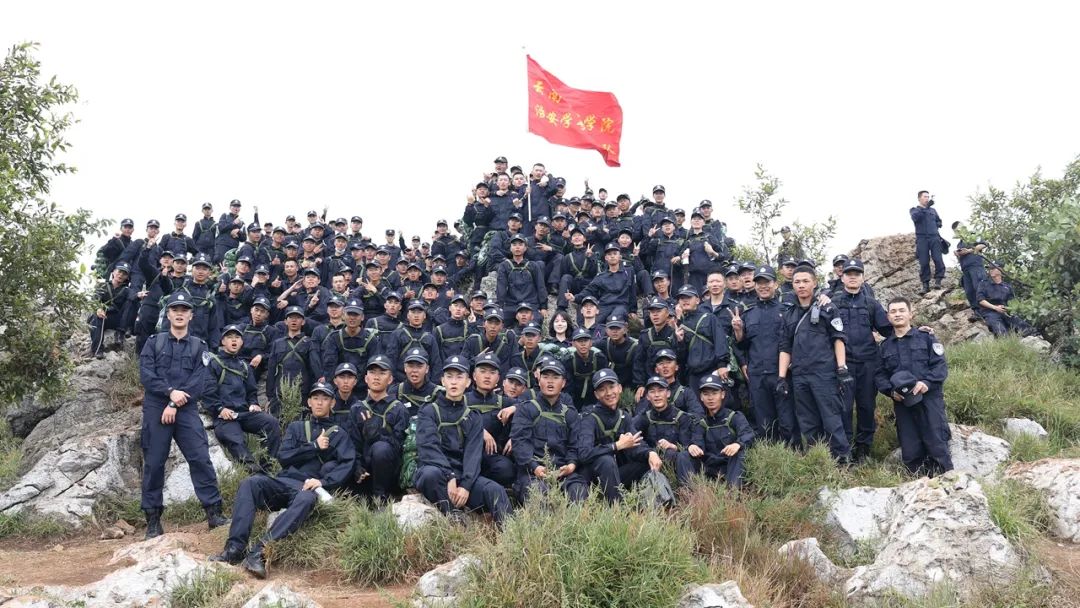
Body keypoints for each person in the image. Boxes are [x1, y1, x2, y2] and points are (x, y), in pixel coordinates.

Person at [210, 381, 355, 578]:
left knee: (306, 498)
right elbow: (283, 457)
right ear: (309, 402)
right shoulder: (296, 427)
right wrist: (313, 446)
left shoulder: (339, 434)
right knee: (250, 483)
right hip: (284, 481)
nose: (320, 403)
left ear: (333, 403)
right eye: (315, 398)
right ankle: (234, 549)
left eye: (325, 399)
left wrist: (323, 482)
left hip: (309, 488)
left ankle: (259, 552)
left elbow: (347, 464)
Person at [138, 292, 229, 539]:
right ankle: (153, 521)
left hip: (185, 408)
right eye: (175, 309)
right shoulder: (153, 342)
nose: (179, 313)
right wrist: (170, 393)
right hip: (157, 408)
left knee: (200, 458)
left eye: (184, 310)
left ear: (191, 315)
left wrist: (175, 402)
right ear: (168, 314)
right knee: (154, 463)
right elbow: (146, 375)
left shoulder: (199, 346)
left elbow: (199, 381)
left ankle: (214, 513)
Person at [413, 355, 512, 525]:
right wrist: (449, 476)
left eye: (459, 377)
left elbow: (473, 455)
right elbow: (428, 448)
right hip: (436, 473)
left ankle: (511, 533)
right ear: (442, 381)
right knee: (430, 475)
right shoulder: (428, 411)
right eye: (449, 377)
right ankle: (454, 517)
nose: (454, 382)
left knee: (495, 490)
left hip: (462, 475)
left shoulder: (473, 416)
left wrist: (466, 485)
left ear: (467, 382)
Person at [777, 265, 852, 461]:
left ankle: (842, 461)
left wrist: (842, 367)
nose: (801, 285)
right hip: (799, 375)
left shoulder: (828, 308)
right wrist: (781, 377)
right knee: (808, 422)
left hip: (824, 374)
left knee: (831, 419)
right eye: (797, 282)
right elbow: (785, 347)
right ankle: (818, 461)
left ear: (814, 283)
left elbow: (838, 338)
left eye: (805, 281)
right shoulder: (789, 313)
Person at [875, 297, 953, 476]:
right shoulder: (884, 347)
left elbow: (940, 366)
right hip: (903, 403)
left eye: (902, 310)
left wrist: (926, 383)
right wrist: (890, 392)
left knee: (937, 442)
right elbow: (879, 375)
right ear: (888, 317)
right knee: (911, 449)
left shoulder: (926, 338)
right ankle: (917, 485)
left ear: (911, 314)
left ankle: (946, 481)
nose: (897, 314)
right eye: (893, 311)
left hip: (929, 400)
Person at [827, 259, 892, 462]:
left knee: (866, 407)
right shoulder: (833, 302)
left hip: (868, 364)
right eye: (849, 273)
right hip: (842, 365)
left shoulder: (871, 304)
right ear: (842, 277)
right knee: (843, 408)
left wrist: (917, 332)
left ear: (863, 278)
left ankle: (863, 450)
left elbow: (889, 330)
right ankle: (845, 450)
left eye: (857, 274)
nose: (853, 277)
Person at [732, 266, 797, 445]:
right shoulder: (748, 314)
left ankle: (791, 455)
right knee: (764, 423)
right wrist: (738, 331)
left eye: (767, 282)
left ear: (775, 284)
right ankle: (769, 456)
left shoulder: (787, 310)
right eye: (759, 283)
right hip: (757, 375)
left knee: (787, 420)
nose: (763, 286)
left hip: (782, 374)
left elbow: (795, 340)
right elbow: (742, 345)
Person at [204, 325, 282, 473]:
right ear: (223, 342)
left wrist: (253, 403)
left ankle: (268, 466)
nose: (234, 340)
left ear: (241, 342)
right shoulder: (214, 363)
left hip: (244, 414)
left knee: (271, 423)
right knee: (236, 440)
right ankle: (253, 471)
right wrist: (220, 408)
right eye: (229, 337)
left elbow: (251, 392)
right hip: (224, 416)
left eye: (237, 337)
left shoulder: (244, 366)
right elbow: (208, 392)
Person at [509, 359, 587, 502]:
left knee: (579, 493)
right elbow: (520, 443)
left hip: (563, 472)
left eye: (555, 377)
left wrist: (571, 465)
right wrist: (535, 467)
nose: (550, 382)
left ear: (563, 383)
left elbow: (575, 445)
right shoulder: (526, 409)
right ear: (539, 381)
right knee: (540, 495)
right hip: (533, 473)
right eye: (546, 377)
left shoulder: (570, 413)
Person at [577, 368, 658, 503]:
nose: (609, 393)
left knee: (646, 462)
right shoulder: (589, 418)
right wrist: (616, 446)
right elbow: (584, 454)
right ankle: (616, 508)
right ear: (596, 395)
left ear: (619, 388)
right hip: (592, 478)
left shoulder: (624, 416)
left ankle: (649, 504)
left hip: (615, 476)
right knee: (606, 461)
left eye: (611, 387)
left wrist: (650, 453)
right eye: (602, 389)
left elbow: (636, 442)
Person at [347, 356, 409, 503]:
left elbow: (400, 446)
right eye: (372, 372)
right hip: (365, 469)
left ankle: (380, 497)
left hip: (389, 471)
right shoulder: (357, 408)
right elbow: (352, 443)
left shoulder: (399, 409)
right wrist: (357, 466)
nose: (376, 377)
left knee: (381, 448)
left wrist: (377, 436)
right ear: (366, 378)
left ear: (390, 379)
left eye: (382, 373)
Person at [675, 374, 755, 488]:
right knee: (683, 455)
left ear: (722, 394)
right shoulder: (700, 422)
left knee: (739, 453)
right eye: (706, 394)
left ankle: (733, 493)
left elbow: (748, 434)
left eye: (714, 393)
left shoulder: (735, 417)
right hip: (709, 469)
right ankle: (690, 493)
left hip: (730, 467)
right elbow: (697, 442)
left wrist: (738, 444)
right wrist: (692, 447)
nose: (710, 398)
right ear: (701, 397)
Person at [463, 352, 515, 488]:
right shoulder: (462, 400)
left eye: (492, 373)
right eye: (483, 371)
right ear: (474, 376)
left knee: (507, 470)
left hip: (491, 456)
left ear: (498, 378)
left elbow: (529, 407)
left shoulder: (504, 402)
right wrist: (480, 431)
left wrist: (515, 408)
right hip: (465, 453)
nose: (487, 376)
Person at [633, 376, 695, 469]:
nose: (657, 395)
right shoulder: (644, 417)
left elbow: (687, 446)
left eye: (660, 391)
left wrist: (673, 446)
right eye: (652, 392)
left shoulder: (682, 417)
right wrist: (650, 452)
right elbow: (632, 435)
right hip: (650, 463)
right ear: (648, 397)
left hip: (676, 464)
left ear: (668, 393)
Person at [976, 264, 1033, 337]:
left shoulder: (1007, 286)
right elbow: (981, 300)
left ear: (1000, 270)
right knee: (999, 329)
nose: (991, 270)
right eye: (990, 269)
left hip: (1005, 311)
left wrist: (1007, 309)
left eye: (993, 268)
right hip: (990, 312)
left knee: (1021, 323)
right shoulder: (983, 283)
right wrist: (995, 307)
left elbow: (1012, 302)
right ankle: (1006, 341)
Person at [89, 262, 132, 357]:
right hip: (101, 315)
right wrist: (98, 309)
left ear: (127, 277)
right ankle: (97, 350)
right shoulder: (102, 286)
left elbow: (131, 304)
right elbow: (94, 300)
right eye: (119, 272)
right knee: (96, 318)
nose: (121, 275)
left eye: (124, 274)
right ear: (113, 272)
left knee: (131, 302)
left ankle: (120, 333)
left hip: (116, 319)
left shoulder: (127, 291)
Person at [951, 221, 989, 321]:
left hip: (976, 266)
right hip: (965, 270)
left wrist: (969, 251)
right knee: (969, 291)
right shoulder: (959, 243)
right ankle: (977, 312)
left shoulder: (973, 235)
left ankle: (986, 311)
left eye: (959, 229)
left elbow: (983, 245)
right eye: (956, 231)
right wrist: (958, 254)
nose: (959, 232)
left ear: (964, 227)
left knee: (979, 288)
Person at [910, 190, 945, 294]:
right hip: (922, 238)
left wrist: (936, 225)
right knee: (924, 262)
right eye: (925, 196)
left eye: (928, 197)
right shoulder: (914, 210)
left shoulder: (933, 210)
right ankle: (926, 285)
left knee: (938, 259)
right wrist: (925, 208)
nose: (927, 198)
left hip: (934, 237)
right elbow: (916, 218)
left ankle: (938, 281)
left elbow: (939, 221)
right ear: (919, 198)